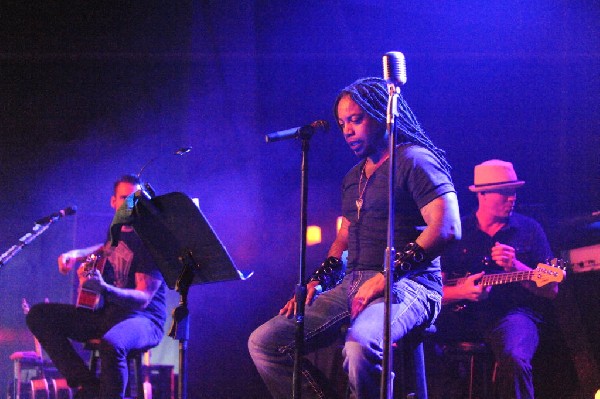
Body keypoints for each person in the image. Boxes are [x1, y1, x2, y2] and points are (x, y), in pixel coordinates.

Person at [248, 77, 461, 399]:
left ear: (380, 114)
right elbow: (344, 239)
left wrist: (385, 277)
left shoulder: (415, 160)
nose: (347, 129)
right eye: (342, 122)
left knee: (360, 345)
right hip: (352, 283)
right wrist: (317, 281)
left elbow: (447, 228)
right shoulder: (353, 177)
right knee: (265, 342)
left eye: (356, 119)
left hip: (412, 285)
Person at [26, 174, 167, 399]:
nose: (131, 204)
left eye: (136, 199)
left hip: (144, 320)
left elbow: (143, 298)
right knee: (39, 316)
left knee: (112, 344)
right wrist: (76, 255)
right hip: (110, 316)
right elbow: (105, 248)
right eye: (125, 198)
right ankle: (87, 387)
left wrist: (104, 288)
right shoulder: (117, 231)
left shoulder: (152, 240)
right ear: (114, 202)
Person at [437, 159, 557, 399]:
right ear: (481, 194)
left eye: (513, 192)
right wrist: (461, 292)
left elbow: (552, 287)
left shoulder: (529, 229)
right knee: (419, 344)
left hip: (513, 315)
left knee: (514, 357)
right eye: (504, 193)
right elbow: (433, 289)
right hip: (459, 317)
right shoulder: (457, 230)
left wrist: (517, 266)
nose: (511, 198)